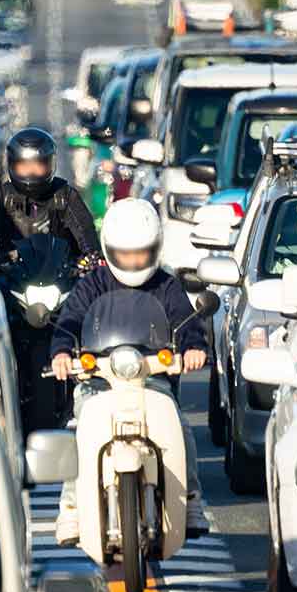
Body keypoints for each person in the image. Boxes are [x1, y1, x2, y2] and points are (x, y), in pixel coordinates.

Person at [49, 199, 209, 543]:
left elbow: (185, 321)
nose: (134, 261)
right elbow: (70, 320)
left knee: (180, 427)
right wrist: (62, 352)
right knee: (78, 432)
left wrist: (194, 346)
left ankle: (192, 498)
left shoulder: (166, 285)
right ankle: (72, 508)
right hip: (99, 379)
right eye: (125, 254)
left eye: (141, 253)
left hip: (152, 377)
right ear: (109, 250)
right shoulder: (92, 284)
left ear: (155, 249)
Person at [0, 127, 101, 263]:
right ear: (12, 165)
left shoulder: (64, 195)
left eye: (37, 166)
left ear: (50, 164)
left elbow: (85, 230)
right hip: (11, 275)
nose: (31, 172)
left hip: (61, 273)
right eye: (24, 166)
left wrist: (92, 255)